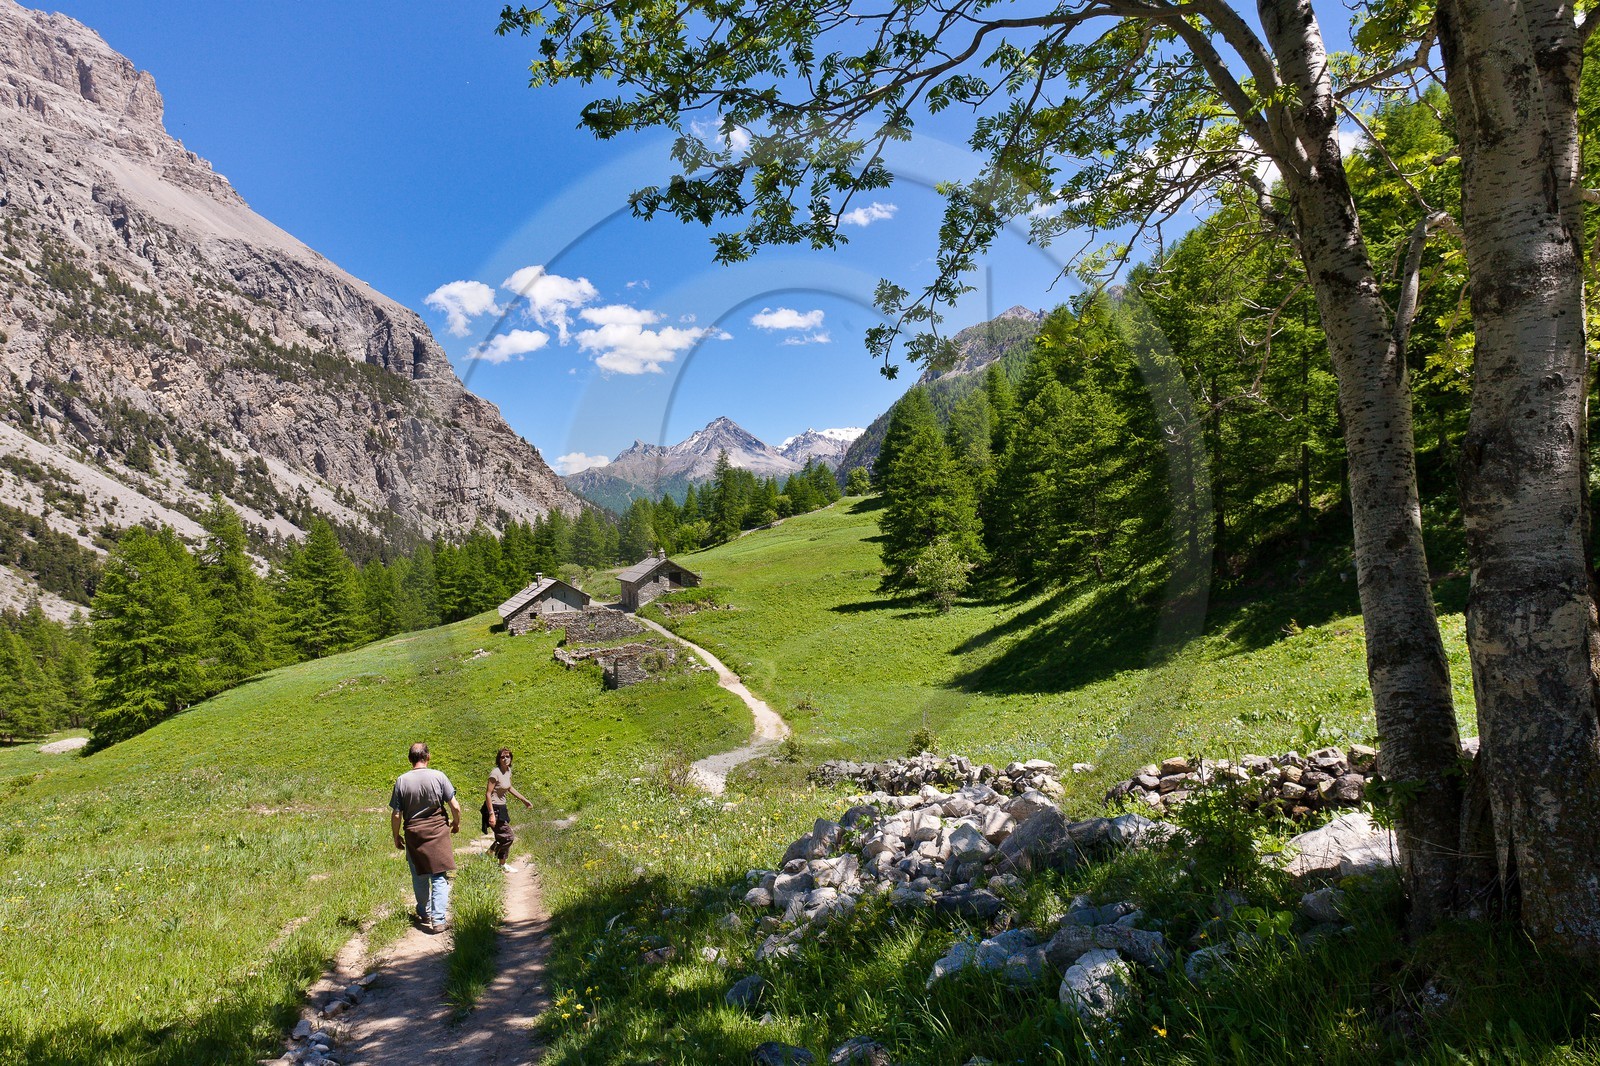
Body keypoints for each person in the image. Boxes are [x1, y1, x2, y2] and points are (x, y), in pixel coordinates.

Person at [389, 742, 461, 933]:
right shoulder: (439, 776)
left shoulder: (402, 781)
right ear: (428, 757)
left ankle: (424, 911)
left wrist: (396, 836)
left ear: (410, 759)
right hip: (437, 831)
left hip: (414, 834)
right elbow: (455, 806)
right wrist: (456, 823)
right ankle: (438, 920)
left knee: (419, 875)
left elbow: (397, 814)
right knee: (439, 876)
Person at [483, 747, 534, 873]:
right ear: (498, 759)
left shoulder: (508, 771)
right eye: (502, 757)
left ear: (511, 758)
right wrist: (491, 815)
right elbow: (488, 794)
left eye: (508, 756)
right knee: (508, 837)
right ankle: (501, 864)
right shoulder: (495, 774)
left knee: (502, 836)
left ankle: (488, 854)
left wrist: (524, 800)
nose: (505, 759)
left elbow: (509, 787)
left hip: (502, 807)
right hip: (493, 808)